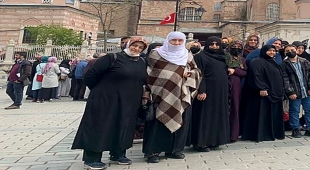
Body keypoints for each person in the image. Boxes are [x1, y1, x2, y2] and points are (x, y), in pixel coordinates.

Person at [71, 36, 149, 170]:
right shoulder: (112, 58)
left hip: (129, 102)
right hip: (105, 100)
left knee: (124, 126)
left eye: (140, 47)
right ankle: (92, 158)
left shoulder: (141, 61)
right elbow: (90, 75)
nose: (136, 49)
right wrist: (100, 91)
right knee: (100, 127)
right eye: (134, 45)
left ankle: (118, 153)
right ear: (128, 45)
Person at [143, 32, 202, 163]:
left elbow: (196, 71)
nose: (176, 43)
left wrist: (190, 74)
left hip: (181, 94)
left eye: (180, 41)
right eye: (173, 40)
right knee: (158, 122)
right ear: (168, 40)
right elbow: (149, 72)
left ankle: (174, 150)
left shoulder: (187, 55)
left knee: (180, 121)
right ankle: (153, 151)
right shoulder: (155, 54)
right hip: (160, 94)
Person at [190, 37, 230, 151]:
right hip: (207, 92)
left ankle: (214, 140)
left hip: (219, 92)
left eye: (217, 44)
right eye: (211, 44)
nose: (214, 46)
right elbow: (199, 74)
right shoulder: (200, 57)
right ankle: (200, 142)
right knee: (205, 116)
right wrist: (202, 90)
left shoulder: (221, 58)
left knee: (217, 115)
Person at [242, 44, 286, 142]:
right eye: (269, 51)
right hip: (263, 94)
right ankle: (261, 134)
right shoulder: (257, 62)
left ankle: (273, 133)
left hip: (274, 93)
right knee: (262, 114)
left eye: (274, 51)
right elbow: (256, 76)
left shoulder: (273, 62)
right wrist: (262, 88)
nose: (272, 53)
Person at [282, 44, 310, 137]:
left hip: (307, 90)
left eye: (292, 49)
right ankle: (296, 129)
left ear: (296, 50)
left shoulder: (304, 61)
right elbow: (285, 79)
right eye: (288, 50)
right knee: (294, 110)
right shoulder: (284, 64)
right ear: (285, 52)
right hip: (295, 91)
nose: (291, 52)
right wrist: (290, 91)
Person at [227, 40, 247, 142]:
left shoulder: (242, 60)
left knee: (235, 108)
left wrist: (235, 71)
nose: (236, 48)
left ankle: (233, 135)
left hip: (236, 86)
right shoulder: (224, 58)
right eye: (234, 46)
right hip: (224, 84)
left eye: (238, 46)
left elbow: (245, 72)